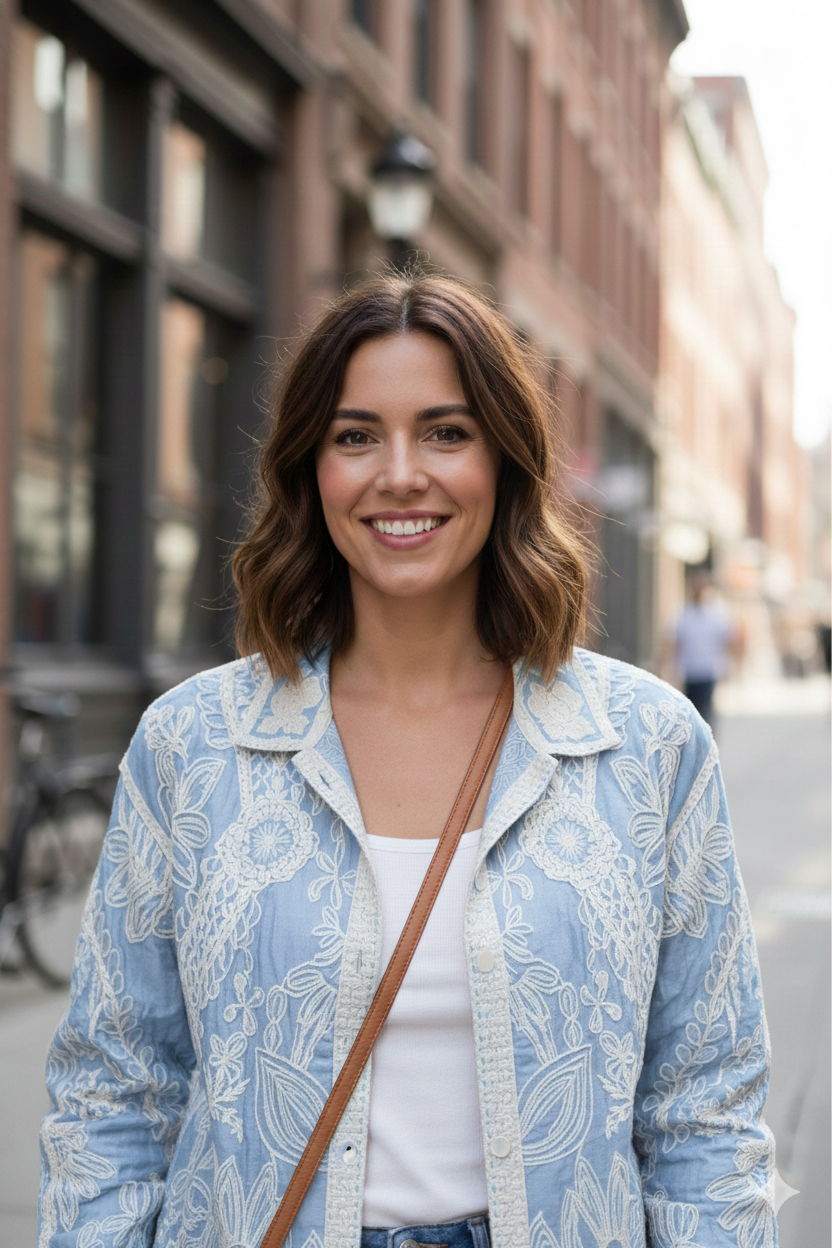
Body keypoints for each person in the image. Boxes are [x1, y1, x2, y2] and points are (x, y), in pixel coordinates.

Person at [39, 273, 777, 1248]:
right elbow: (113, 1093)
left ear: (505, 461)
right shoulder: (193, 748)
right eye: (354, 437)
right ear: (310, 471)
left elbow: (706, 1111)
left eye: (445, 432)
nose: (399, 474)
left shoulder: (646, 747)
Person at [670, 574, 741, 728]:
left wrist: (732, 665)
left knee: (705, 711)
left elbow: (729, 640)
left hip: (709, 669)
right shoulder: (683, 613)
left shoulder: (717, 614)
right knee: (690, 711)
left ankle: (705, 743)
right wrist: (671, 667)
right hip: (689, 669)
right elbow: (674, 642)